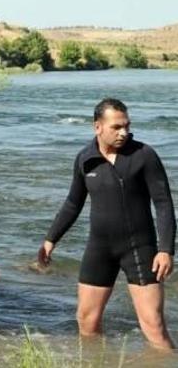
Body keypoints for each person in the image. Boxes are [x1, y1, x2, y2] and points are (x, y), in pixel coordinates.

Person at [38, 98, 175, 350]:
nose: (124, 132)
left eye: (127, 126)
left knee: (154, 326)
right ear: (97, 127)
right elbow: (72, 203)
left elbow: (163, 203)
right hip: (99, 250)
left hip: (140, 249)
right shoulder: (85, 159)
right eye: (116, 127)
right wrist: (50, 240)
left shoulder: (144, 155)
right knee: (86, 322)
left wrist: (166, 249)